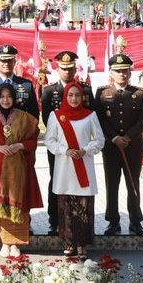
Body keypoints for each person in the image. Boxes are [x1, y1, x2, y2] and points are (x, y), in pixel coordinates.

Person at [0, 82, 42, 257]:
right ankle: (5, 241)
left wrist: (20, 145)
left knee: (20, 203)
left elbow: (33, 140)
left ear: (15, 98)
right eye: (2, 97)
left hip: (19, 167)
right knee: (0, 203)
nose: (6, 100)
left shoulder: (25, 117)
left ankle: (17, 243)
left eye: (9, 96)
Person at [44, 82, 104, 259]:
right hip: (65, 168)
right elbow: (50, 140)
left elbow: (99, 140)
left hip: (84, 166)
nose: (74, 98)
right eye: (70, 95)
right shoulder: (56, 116)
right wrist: (65, 151)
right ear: (65, 97)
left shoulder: (90, 115)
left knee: (83, 206)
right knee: (66, 207)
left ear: (82, 97)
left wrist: (85, 149)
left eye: (77, 95)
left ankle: (82, 243)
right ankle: (69, 242)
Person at [39, 51, 93, 236]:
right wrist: (64, 145)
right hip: (59, 146)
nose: (67, 72)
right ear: (57, 69)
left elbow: (91, 116)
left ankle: (80, 222)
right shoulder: (48, 91)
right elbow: (47, 119)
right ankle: (54, 220)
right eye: (63, 69)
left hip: (81, 147)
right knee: (57, 180)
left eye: (70, 69)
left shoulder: (85, 90)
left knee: (80, 181)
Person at [94, 53, 143, 236]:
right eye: (118, 71)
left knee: (133, 184)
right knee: (112, 183)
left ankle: (135, 221)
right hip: (111, 146)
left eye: (125, 71)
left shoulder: (139, 94)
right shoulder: (102, 93)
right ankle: (112, 221)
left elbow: (142, 120)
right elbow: (99, 119)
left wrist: (128, 137)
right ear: (111, 72)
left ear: (130, 72)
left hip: (132, 147)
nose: (122, 75)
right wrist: (114, 137)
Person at [0, 45, 38, 119]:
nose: (6, 64)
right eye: (3, 61)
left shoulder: (26, 85)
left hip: (19, 128)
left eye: (9, 60)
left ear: (14, 61)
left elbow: (33, 115)